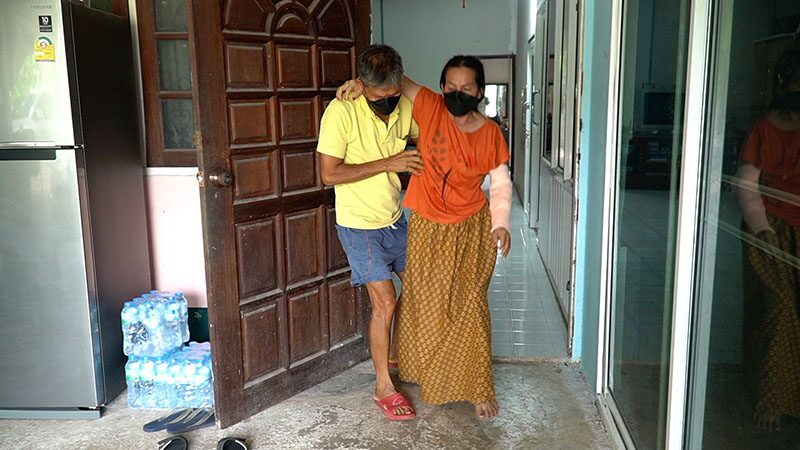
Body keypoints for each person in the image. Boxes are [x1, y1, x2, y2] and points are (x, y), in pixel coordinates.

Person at [338, 55, 513, 418]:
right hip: (428, 228)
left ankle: (478, 386)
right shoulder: (430, 106)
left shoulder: (490, 133)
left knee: (470, 305)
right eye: (451, 86)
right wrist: (359, 83)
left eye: (467, 87)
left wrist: (501, 223)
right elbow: (392, 78)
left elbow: (499, 182)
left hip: (471, 229)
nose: (458, 93)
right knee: (428, 305)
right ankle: (430, 373)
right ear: (441, 87)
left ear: (480, 91)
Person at [317, 44, 423, 421]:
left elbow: (436, 124)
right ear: (361, 86)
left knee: (420, 288)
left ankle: (393, 354)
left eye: (394, 94)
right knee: (386, 303)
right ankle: (383, 386)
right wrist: (390, 163)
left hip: (395, 218)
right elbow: (329, 174)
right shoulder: (341, 110)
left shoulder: (403, 104)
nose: (388, 104)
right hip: (360, 225)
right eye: (380, 98)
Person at [735, 48, 800, 432]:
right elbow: (747, 185)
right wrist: (762, 228)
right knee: (779, 308)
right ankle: (770, 399)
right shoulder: (764, 129)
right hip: (770, 230)